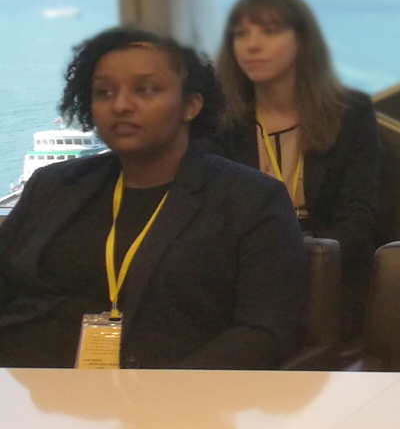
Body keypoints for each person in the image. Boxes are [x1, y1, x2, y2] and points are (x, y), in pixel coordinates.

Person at [0, 28, 304, 368]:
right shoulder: (54, 186)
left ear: (191, 105)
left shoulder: (250, 199)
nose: (121, 105)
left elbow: (263, 331)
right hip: (31, 392)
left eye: (145, 90)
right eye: (104, 92)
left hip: (170, 400)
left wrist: (156, 394)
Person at [215, 0, 380, 340]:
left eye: (269, 32)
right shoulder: (220, 120)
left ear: (302, 41)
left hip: (327, 270)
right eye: (241, 34)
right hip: (240, 270)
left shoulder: (350, 113)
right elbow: (214, 218)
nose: (252, 45)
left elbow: (359, 218)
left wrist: (296, 259)